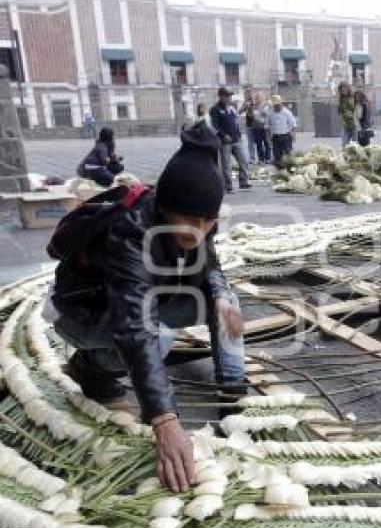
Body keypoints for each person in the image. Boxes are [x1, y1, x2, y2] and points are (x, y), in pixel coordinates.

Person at [47, 124, 245, 493]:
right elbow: (135, 325)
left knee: (225, 299)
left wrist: (218, 294)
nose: (199, 231)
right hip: (81, 310)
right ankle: (92, 370)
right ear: (165, 206)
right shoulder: (131, 232)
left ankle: (232, 397)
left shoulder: (197, 221)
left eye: (209, 222)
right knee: (158, 338)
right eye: (190, 220)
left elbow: (210, 264)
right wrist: (165, 421)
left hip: (149, 297)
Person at [210, 86, 250, 192]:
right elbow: (214, 126)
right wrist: (223, 135)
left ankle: (244, 181)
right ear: (221, 96)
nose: (229, 98)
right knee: (226, 165)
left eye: (230, 96)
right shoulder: (215, 109)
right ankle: (228, 185)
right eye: (227, 96)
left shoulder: (231, 107)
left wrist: (243, 109)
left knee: (244, 161)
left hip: (236, 139)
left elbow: (236, 118)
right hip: (225, 141)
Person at [267, 94, 298, 165]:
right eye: (274, 105)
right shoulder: (270, 113)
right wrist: (268, 137)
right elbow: (267, 126)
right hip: (275, 137)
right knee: (277, 156)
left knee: (288, 155)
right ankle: (278, 171)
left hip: (285, 137)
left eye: (277, 105)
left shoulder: (287, 112)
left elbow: (293, 124)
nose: (276, 107)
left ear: (281, 104)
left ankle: (289, 169)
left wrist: (294, 135)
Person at [250, 93, 271, 164]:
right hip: (256, 127)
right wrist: (257, 113)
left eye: (259, 97)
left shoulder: (267, 105)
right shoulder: (253, 106)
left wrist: (259, 112)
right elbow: (253, 115)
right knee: (258, 144)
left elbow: (267, 114)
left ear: (262, 98)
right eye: (257, 97)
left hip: (265, 128)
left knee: (267, 143)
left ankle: (268, 158)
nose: (258, 99)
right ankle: (261, 159)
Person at [239, 90, 258, 163]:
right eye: (245, 95)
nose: (247, 96)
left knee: (259, 142)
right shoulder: (245, 103)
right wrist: (245, 106)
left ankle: (262, 158)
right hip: (249, 125)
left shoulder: (255, 102)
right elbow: (240, 111)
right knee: (250, 142)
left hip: (257, 125)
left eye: (248, 94)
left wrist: (251, 108)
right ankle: (252, 158)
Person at [338, 82, 358, 147]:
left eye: (344, 90)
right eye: (341, 90)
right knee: (344, 144)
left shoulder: (354, 97)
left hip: (354, 125)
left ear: (348, 89)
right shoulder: (341, 99)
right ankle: (345, 156)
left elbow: (358, 109)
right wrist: (342, 120)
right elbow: (340, 111)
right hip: (345, 125)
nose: (343, 92)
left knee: (355, 145)